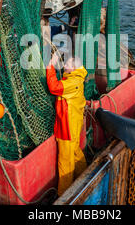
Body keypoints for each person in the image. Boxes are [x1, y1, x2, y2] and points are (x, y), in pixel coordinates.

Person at [46, 53, 87, 196]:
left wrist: (50, 65)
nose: (64, 66)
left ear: (75, 68)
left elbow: (54, 87)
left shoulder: (73, 82)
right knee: (75, 152)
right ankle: (85, 175)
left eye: (67, 65)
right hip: (74, 124)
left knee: (65, 163)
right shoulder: (76, 77)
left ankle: (64, 195)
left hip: (67, 127)